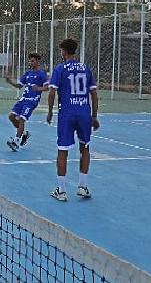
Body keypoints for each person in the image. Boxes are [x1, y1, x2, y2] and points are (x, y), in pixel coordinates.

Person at [46, 38, 99, 202]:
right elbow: (94, 96)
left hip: (67, 114)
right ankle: (82, 186)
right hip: (84, 113)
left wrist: (49, 112)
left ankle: (61, 190)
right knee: (85, 148)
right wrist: (94, 116)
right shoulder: (86, 69)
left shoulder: (60, 69)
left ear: (63, 51)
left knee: (63, 151)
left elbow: (52, 93)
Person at [5, 53, 48, 151]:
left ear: (38, 62)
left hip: (32, 101)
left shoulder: (41, 74)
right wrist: (10, 81)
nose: (30, 62)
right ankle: (24, 134)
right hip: (23, 99)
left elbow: (47, 87)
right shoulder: (28, 73)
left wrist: (38, 88)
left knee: (21, 119)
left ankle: (16, 142)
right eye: (29, 61)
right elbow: (19, 86)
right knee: (11, 116)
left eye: (32, 61)